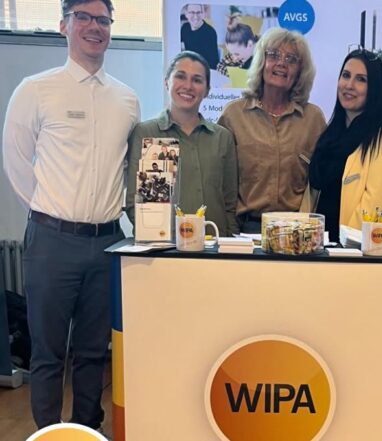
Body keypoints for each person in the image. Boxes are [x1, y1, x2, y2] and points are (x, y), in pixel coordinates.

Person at [2, 0, 140, 431]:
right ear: (64, 25)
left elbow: (127, 168)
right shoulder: (35, 90)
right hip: (51, 241)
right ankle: (48, 433)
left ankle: (86, 430)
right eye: (84, 17)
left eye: (103, 20)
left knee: (94, 352)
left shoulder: (127, 100)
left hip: (107, 241)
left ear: (111, 28)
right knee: (48, 352)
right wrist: (52, 211)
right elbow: (16, 162)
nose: (94, 27)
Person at [217, 27, 326, 233]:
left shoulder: (313, 119)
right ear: (261, 62)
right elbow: (220, 181)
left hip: (298, 231)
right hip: (247, 230)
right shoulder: (234, 115)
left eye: (291, 59)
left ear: (300, 71)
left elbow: (323, 181)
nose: (281, 63)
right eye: (274, 55)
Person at [126, 51, 238, 236]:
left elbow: (230, 205)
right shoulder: (147, 134)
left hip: (214, 247)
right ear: (166, 82)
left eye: (197, 80)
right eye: (180, 76)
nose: (188, 86)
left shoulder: (222, 138)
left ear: (207, 90)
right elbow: (136, 203)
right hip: (163, 247)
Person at [308, 49, 382, 241]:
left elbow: (373, 206)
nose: (349, 85)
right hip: (318, 246)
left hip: (354, 249)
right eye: (346, 75)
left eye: (361, 79)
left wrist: (344, 247)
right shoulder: (329, 134)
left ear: (374, 88)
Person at [180, 3, 219, 69]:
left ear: (203, 14)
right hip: (189, 66)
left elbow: (213, 62)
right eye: (192, 12)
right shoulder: (185, 28)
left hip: (203, 69)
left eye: (198, 12)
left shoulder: (210, 32)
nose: (195, 17)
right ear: (186, 14)